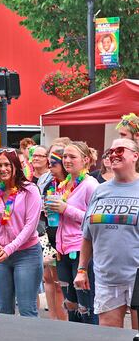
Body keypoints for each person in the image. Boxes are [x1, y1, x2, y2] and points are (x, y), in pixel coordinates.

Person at [75, 138, 139, 329]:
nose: (113, 154)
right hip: (106, 277)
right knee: (109, 339)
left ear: (135, 156)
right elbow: (87, 235)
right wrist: (81, 269)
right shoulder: (100, 190)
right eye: (110, 151)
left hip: (137, 277)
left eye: (120, 150)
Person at [0, 149, 44, 317]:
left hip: (27, 254)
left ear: (16, 167)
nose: (3, 169)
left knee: (27, 309)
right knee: (4, 310)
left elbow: (30, 226)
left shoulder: (30, 190)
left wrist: (9, 249)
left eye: (7, 165)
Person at [47, 141, 100, 324]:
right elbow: (63, 215)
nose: (67, 160)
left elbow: (93, 218)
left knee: (85, 305)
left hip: (80, 249)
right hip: (63, 250)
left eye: (72, 157)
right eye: (65, 157)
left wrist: (65, 209)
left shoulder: (90, 184)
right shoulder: (64, 184)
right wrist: (52, 212)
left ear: (85, 160)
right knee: (71, 304)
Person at [38, 143, 69, 320]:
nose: (50, 168)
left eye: (53, 164)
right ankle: (53, 319)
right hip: (48, 234)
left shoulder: (71, 184)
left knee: (60, 283)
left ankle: (63, 320)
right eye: (49, 164)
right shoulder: (50, 182)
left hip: (64, 238)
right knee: (48, 278)